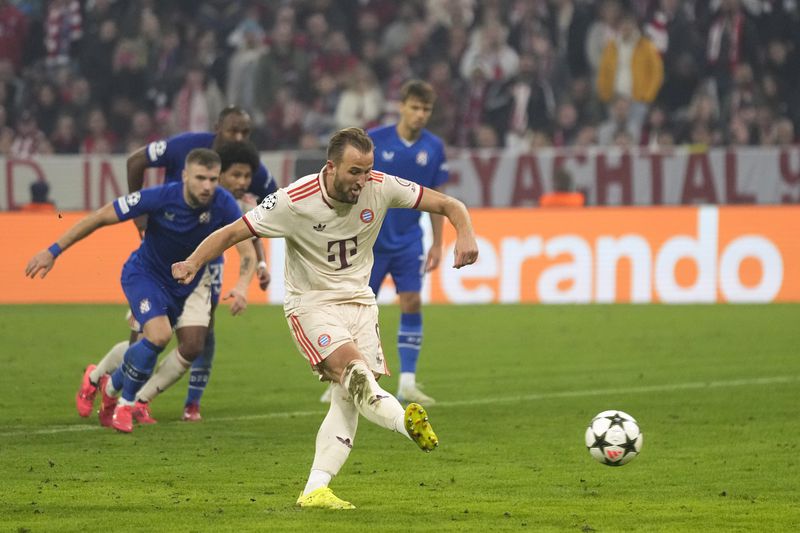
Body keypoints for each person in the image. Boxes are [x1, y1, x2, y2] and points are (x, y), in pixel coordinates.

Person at [171, 127, 479, 509]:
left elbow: (450, 204)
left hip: (360, 304)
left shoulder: (380, 186)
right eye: (354, 172)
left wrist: (464, 232)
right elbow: (234, 231)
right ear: (331, 167)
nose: (363, 181)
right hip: (311, 304)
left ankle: (316, 489)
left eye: (368, 170)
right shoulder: (293, 201)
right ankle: (406, 423)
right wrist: (192, 262)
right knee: (355, 373)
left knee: (347, 401)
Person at [26, 148, 250, 433]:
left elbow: (246, 247)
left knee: (153, 348)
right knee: (159, 336)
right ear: (184, 176)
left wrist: (243, 284)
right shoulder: (158, 197)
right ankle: (125, 405)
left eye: (213, 179)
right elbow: (100, 216)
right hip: (144, 276)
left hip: (182, 287)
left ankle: (105, 386)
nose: (207, 186)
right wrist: (53, 250)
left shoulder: (223, 203)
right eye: (200, 178)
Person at [80, 107, 276, 422]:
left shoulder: (244, 180)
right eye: (233, 131)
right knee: (146, 341)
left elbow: (258, 221)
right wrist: (140, 215)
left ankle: (142, 401)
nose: (238, 138)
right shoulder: (185, 148)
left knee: (196, 341)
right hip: (158, 263)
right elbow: (136, 160)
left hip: (201, 271)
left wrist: (260, 266)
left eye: (245, 133)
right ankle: (96, 379)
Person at [365, 79, 449, 405]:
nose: (420, 115)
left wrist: (438, 243)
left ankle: (408, 383)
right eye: (415, 107)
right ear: (401, 106)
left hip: (409, 241)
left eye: (426, 109)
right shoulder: (374, 140)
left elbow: (438, 199)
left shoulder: (434, 147)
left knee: (411, 301)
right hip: (370, 242)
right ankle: (345, 377)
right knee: (361, 310)